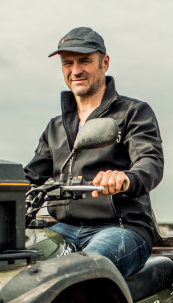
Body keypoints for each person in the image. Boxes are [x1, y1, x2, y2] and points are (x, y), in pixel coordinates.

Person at [24, 26, 164, 278]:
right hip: (63, 227)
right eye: (68, 63)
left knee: (82, 272)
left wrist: (125, 179)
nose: (75, 70)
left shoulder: (133, 112)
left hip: (120, 229)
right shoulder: (56, 126)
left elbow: (150, 162)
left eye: (84, 61)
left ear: (104, 63)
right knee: (15, 266)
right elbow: (31, 176)